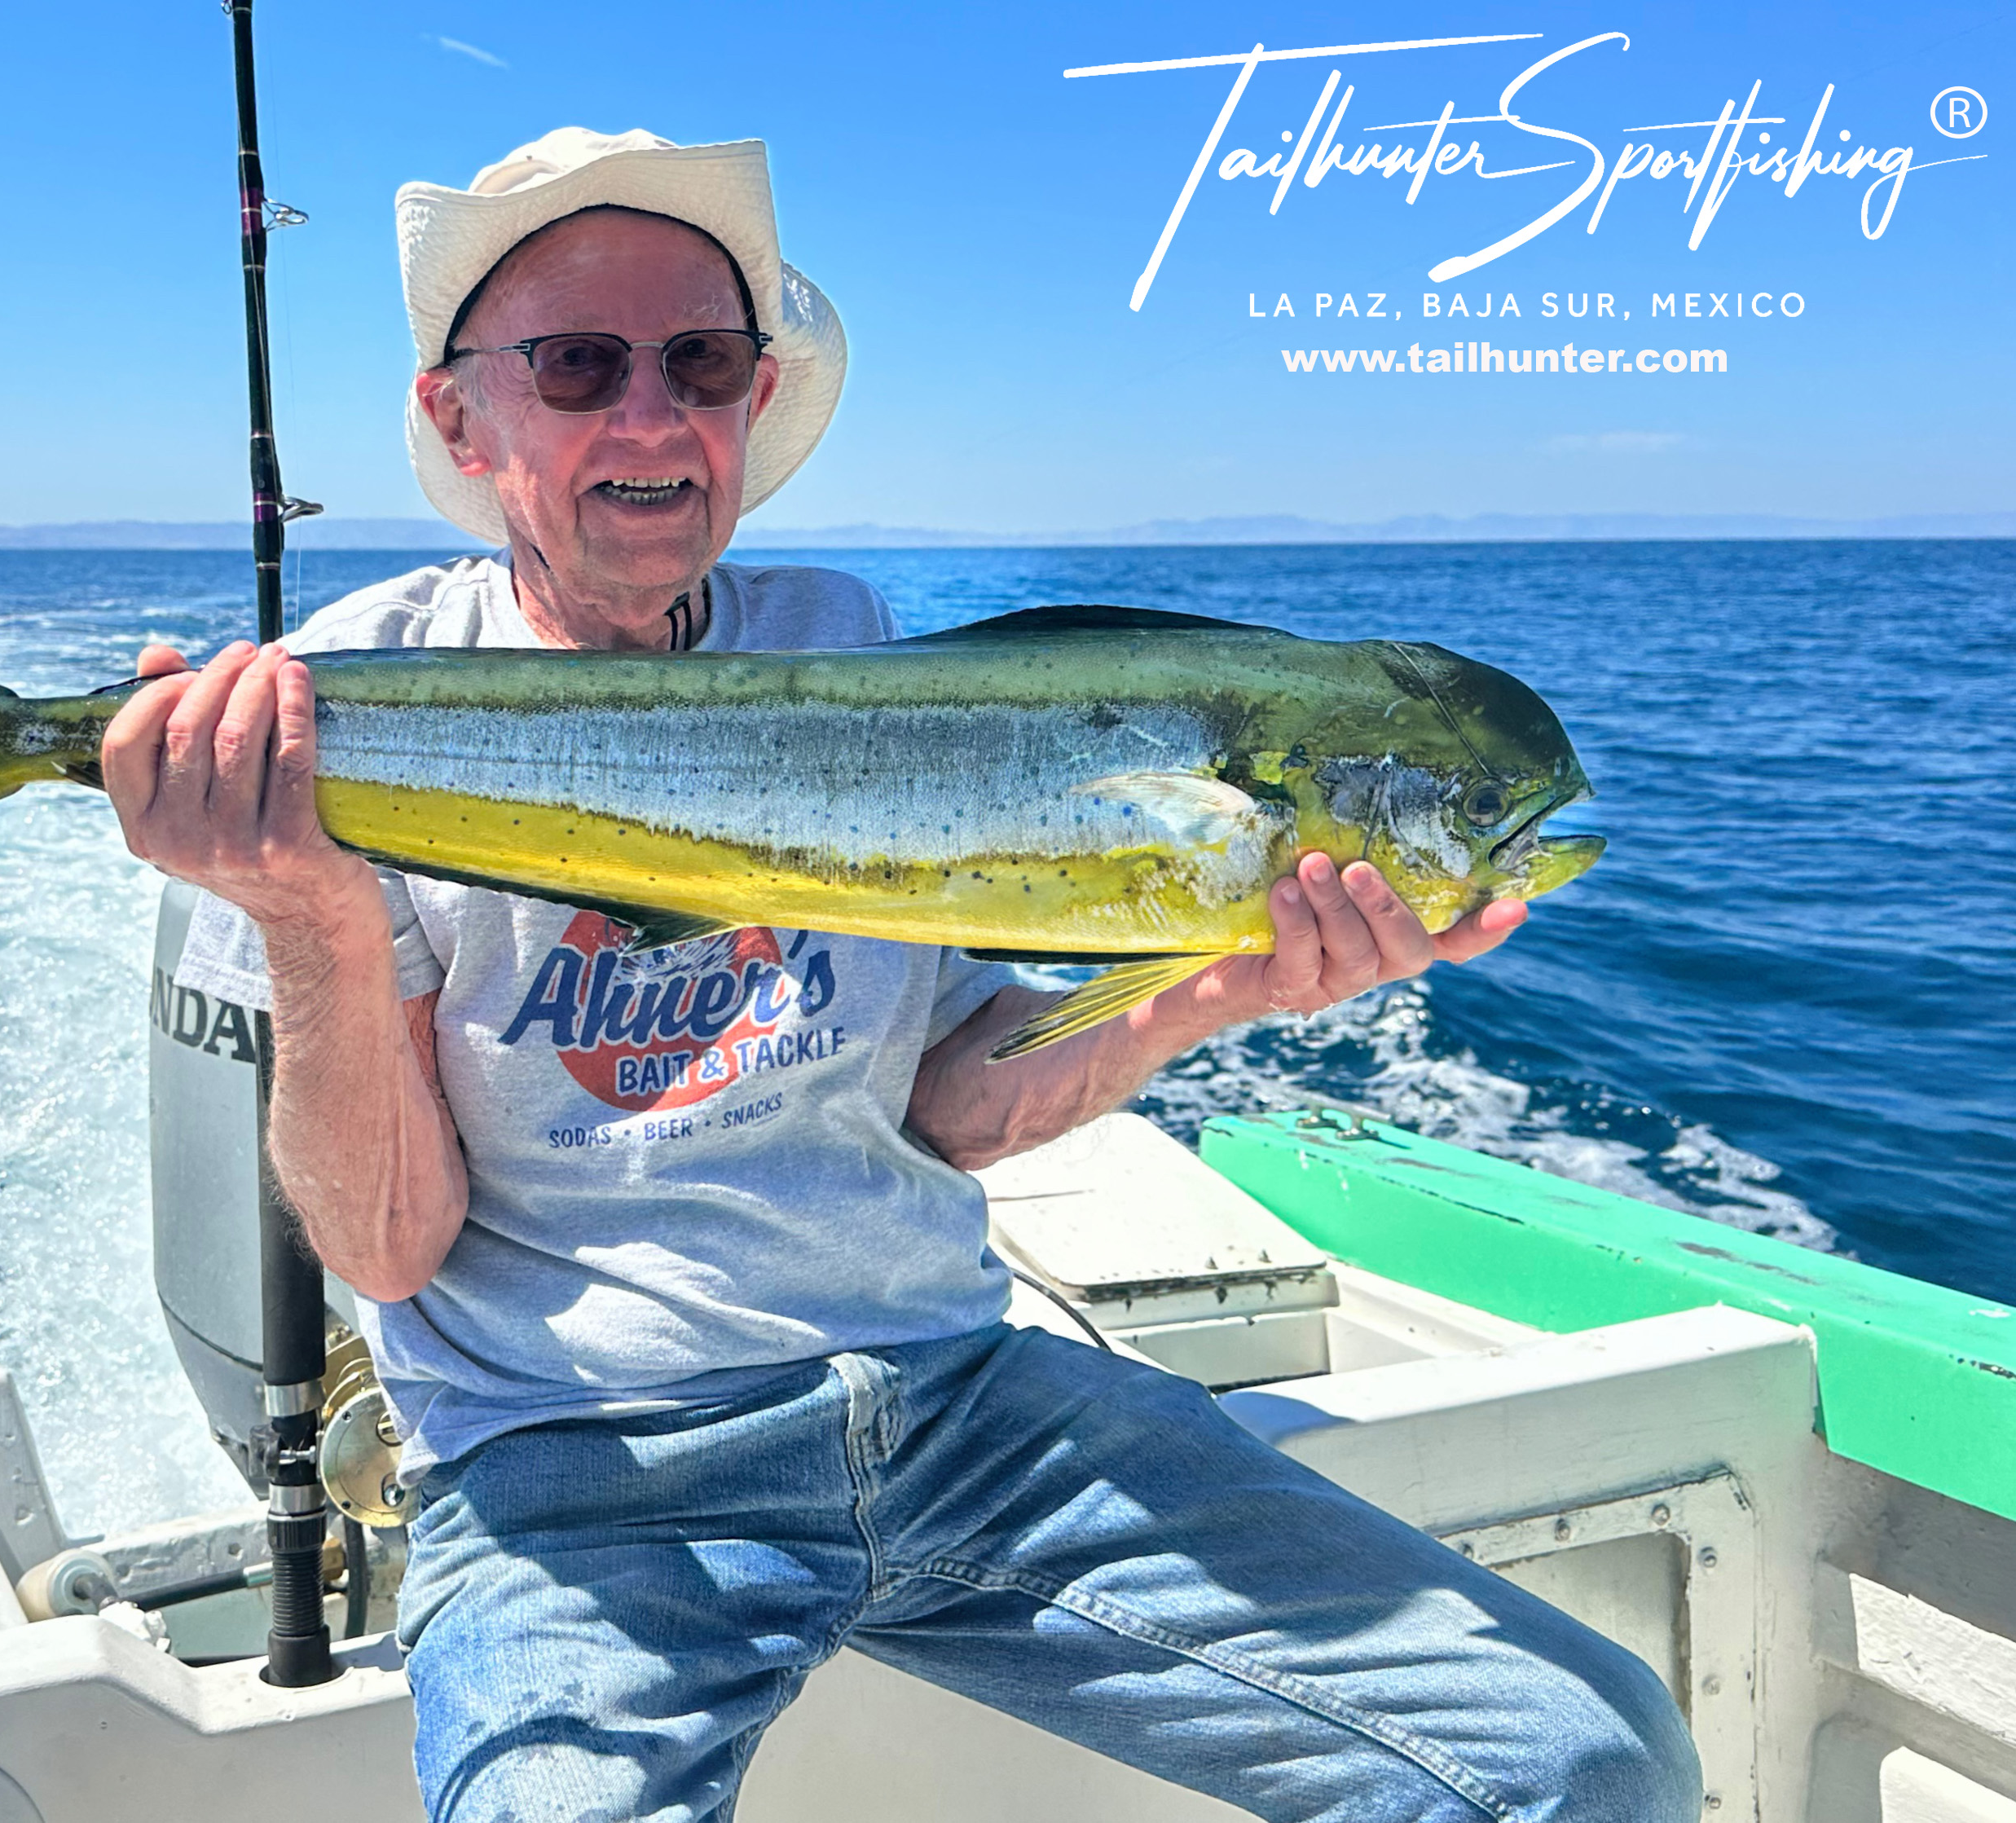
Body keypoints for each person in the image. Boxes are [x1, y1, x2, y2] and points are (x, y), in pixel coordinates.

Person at [103, 128, 1698, 1823]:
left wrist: (1228, 979)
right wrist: (310, 914)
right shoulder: (332, 710)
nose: (648, 415)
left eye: (698, 361)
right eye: (577, 365)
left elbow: (947, 1110)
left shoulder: (843, 642)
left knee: (1582, 1760)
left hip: (959, 1409)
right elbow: (383, 1249)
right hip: (584, 1470)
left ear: (750, 398)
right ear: (459, 418)